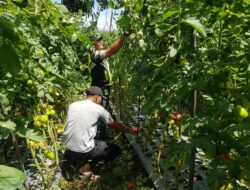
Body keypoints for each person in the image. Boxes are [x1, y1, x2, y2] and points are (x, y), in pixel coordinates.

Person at [61, 86, 139, 181]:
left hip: (67, 147)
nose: (101, 100)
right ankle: (85, 168)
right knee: (114, 150)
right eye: (101, 98)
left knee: (95, 138)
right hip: (83, 149)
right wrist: (129, 130)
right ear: (97, 97)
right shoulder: (98, 108)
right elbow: (112, 124)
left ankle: (77, 161)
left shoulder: (73, 105)